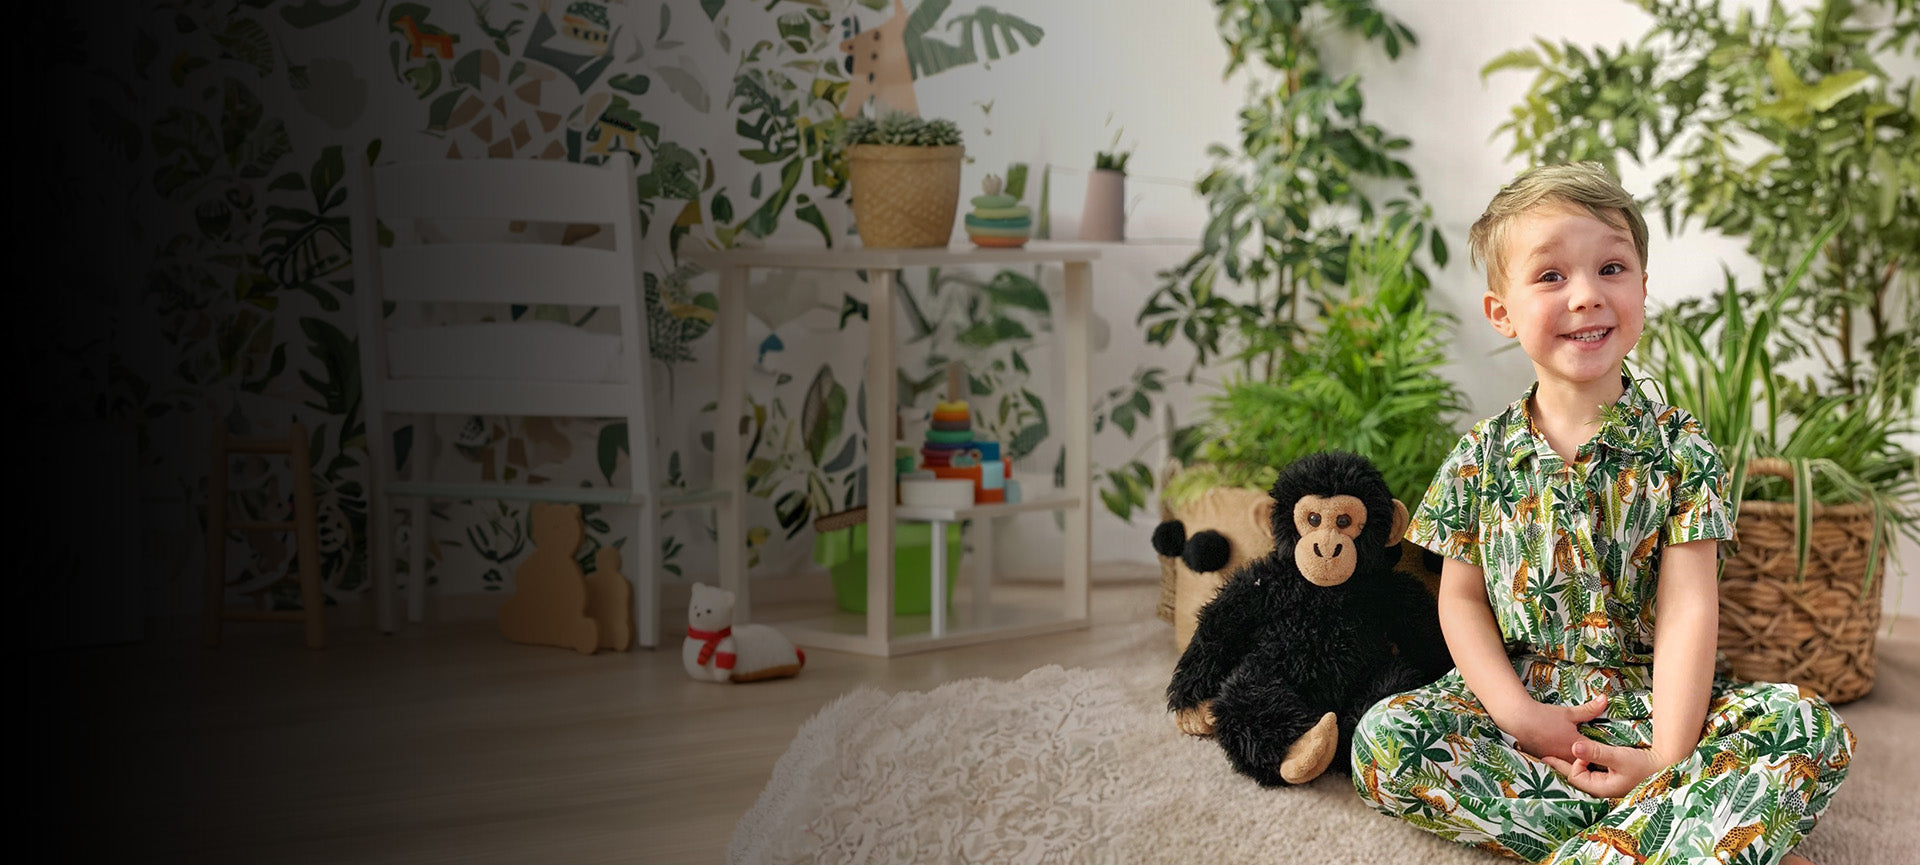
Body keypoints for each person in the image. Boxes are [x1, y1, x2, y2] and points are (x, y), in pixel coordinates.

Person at [1350, 162, 1852, 865]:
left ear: (1642, 287)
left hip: (1661, 705)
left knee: (1807, 726)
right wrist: (1520, 716)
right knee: (1385, 739)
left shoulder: (1682, 448)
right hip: (1527, 708)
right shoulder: (1479, 455)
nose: (1587, 295)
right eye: (1551, 276)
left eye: (1611, 268)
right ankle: (1695, 834)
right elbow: (1460, 600)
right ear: (1501, 312)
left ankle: (1651, 820)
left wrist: (1665, 757)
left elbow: (1688, 609)